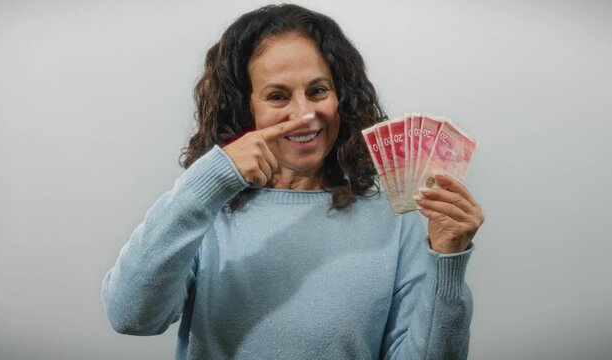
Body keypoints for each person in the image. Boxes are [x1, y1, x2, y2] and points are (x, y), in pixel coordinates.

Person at [101, 4, 484, 360]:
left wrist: (448, 261)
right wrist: (210, 179)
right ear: (244, 107)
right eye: (277, 96)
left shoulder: (394, 217)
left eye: (318, 90)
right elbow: (131, 315)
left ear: (341, 98)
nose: (305, 114)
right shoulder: (205, 207)